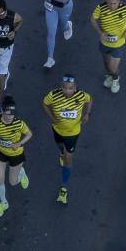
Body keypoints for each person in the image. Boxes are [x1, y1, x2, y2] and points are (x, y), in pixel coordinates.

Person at [40, 75, 89, 204]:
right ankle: (62, 153)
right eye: (65, 88)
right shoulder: (53, 95)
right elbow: (45, 104)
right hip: (57, 130)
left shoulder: (81, 95)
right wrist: (52, 117)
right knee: (60, 146)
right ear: (61, 87)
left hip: (73, 134)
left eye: (71, 88)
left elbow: (90, 101)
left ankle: (64, 189)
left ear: (75, 88)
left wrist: (87, 114)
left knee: (68, 159)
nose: (68, 91)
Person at [0, 95, 32, 218]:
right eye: (7, 114)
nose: (10, 116)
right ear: (1, 111)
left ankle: (21, 173)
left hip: (15, 155)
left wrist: (19, 143)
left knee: (13, 182)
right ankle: (4, 203)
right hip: (0, 152)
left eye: (12, 113)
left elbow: (29, 134)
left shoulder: (19, 123)